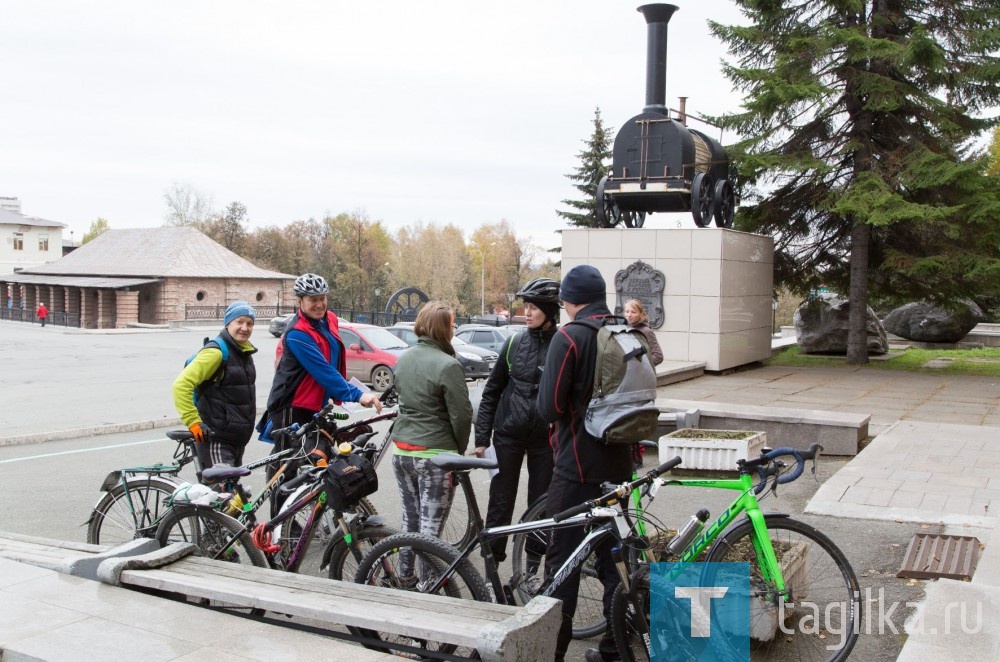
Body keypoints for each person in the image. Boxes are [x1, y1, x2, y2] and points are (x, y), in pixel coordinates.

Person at [536, 265, 634, 662]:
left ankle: (551, 652)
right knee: (616, 561)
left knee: (563, 563)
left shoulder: (571, 336)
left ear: (569, 300)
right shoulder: (626, 332)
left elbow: (549, 406)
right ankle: (615, 647)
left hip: (576, 467)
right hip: (620, 466)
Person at [474, 278, 559, 567]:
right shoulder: (514, 342)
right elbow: (492, 392)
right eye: (526, 306)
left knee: (542, 502)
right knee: (500, 500)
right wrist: (482, 439)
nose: (528, 312)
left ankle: (533, 561)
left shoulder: (562, 345)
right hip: (508, 435)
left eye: (534, 307)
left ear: (549, 310)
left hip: (545, 439)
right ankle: (492, 561)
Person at [391, 301, 472, 582]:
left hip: (402, 451)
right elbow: (461, 416)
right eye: (451, 324)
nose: (454, 329)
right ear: (443, 329)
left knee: (409, 521)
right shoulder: (449, 365)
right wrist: (458, 453)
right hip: (436, 455)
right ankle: (429, 585)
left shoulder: (404, 358)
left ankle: (405, 577)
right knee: (431, 529)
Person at [264, 272, 382, 431]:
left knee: (323, 452)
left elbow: (333, 361)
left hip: (316, 403)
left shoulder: (330, 319)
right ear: (299, 301)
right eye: (313, 299)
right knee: (299, 455)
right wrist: (357, 395)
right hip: (292, 405)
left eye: (322, 298)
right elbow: (323, 370)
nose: (319, 304)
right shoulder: (297, 334)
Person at [172, 300, 258, 479]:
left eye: (249, 323)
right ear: (228, 324)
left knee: (231, 498)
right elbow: (181, 385)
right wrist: (193, 422)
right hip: (216, 438)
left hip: (235, 439)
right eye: (239, 322)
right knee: (222, 498)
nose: (245, 327)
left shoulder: (244, 352)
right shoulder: (216, 353)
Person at [623, 298, 663, 367]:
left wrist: (640, 366)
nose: (629, 315)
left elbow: (658, 356)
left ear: (640, 314)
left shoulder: (646, 331)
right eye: (627, 311)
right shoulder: (622, 329)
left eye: (633, 312)